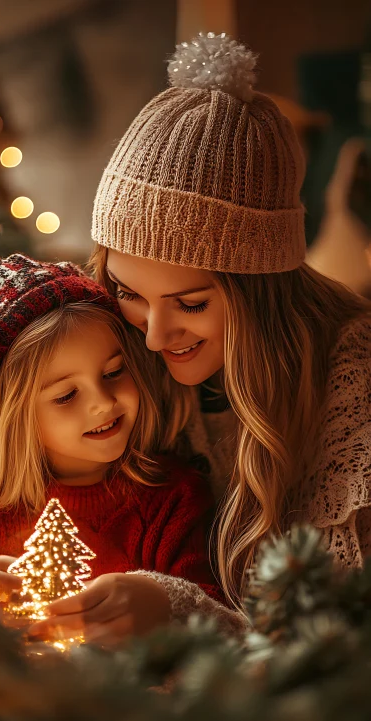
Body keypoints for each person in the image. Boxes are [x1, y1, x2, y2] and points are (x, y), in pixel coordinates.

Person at [89, 32, 371, 615]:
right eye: (129, 293)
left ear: (261, 293)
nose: (154, 337)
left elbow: (328, 649)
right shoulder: (109, 349)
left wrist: (176, 610)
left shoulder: (352, 392)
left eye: (191, 304)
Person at [0, 254, 243, 646]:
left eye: (113, 372)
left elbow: (219, 631)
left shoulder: (173, 499)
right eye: (66, 395)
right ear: (11, 419)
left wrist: (165, 604)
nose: (102, 403)